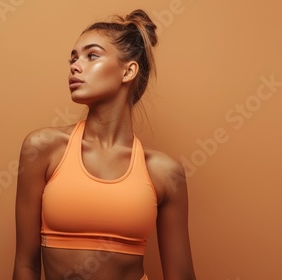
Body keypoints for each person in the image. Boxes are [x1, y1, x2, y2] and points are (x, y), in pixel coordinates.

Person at [12, 9, 196, 280]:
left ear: (128, 71)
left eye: (92, 55)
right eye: (73, 58)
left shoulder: (164, 172)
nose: (75, 65)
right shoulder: (42, 149)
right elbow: (25, 266)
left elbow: (181, 277)